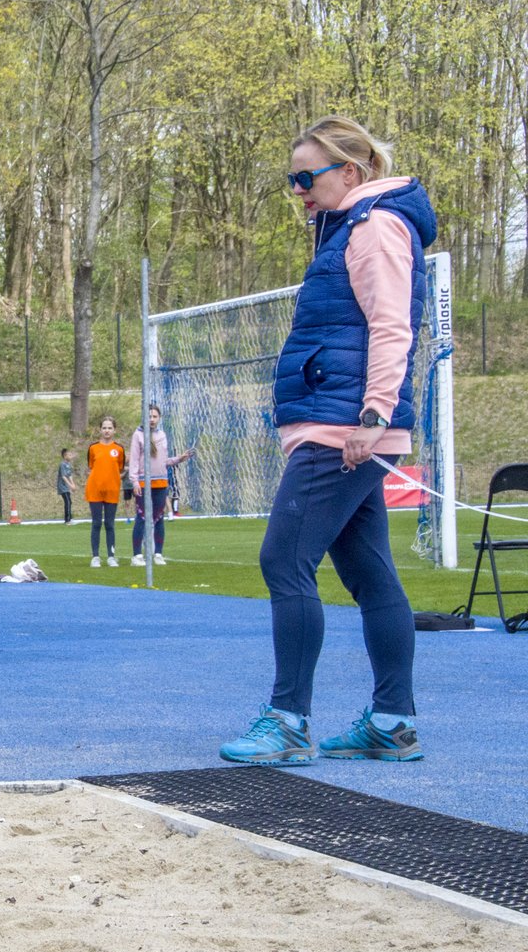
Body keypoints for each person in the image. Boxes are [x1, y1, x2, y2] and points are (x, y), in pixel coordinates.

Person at [220, 115, 436, 766]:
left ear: (351, 171)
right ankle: (393, 723)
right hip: (341, 426)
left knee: (283, 559)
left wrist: (371, 417)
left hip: (345, 429)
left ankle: (288, 722)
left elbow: (393, 326)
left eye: (305, 177)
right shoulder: (346, 230)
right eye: (292, 179)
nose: (297, 190)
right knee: (370, 574)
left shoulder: (375, 229)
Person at [128, 404, 195, 566]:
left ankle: (158, 553)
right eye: (149, 416)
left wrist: (178, 459)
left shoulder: (162, 435)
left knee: (159, 518)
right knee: (142, 517)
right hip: (144, 483)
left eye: (154, 416)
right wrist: (135, 481)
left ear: (159, 418)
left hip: (161, 482)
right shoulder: (138, 435)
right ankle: (137, 556)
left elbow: (163, 461)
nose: (151, 419)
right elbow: (134, 460)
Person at [85, 417, 126, 568]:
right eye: (104, 428)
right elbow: (91, 466)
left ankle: (111, 556)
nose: (107, 430)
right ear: (100, 430)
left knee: (109, 524)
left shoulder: (119, 449)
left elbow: (120, 468)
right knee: (96, 523)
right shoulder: (93, 448)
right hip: (95, 490)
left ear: (114, 430)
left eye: (110, 428)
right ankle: (95, 557)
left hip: (112, 490)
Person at [56, 448, 76, 526]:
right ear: (65, 456)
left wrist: (73, 484)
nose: (71, 456)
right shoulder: (62, 464)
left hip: (67, 486)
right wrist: (70, 485)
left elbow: (69, 475)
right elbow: (64, 476)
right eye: (69, 455)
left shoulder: (68, 464)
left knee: (69, 502)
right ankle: (67, 520)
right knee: (67, 501)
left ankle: (69, 518)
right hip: (62, 486)